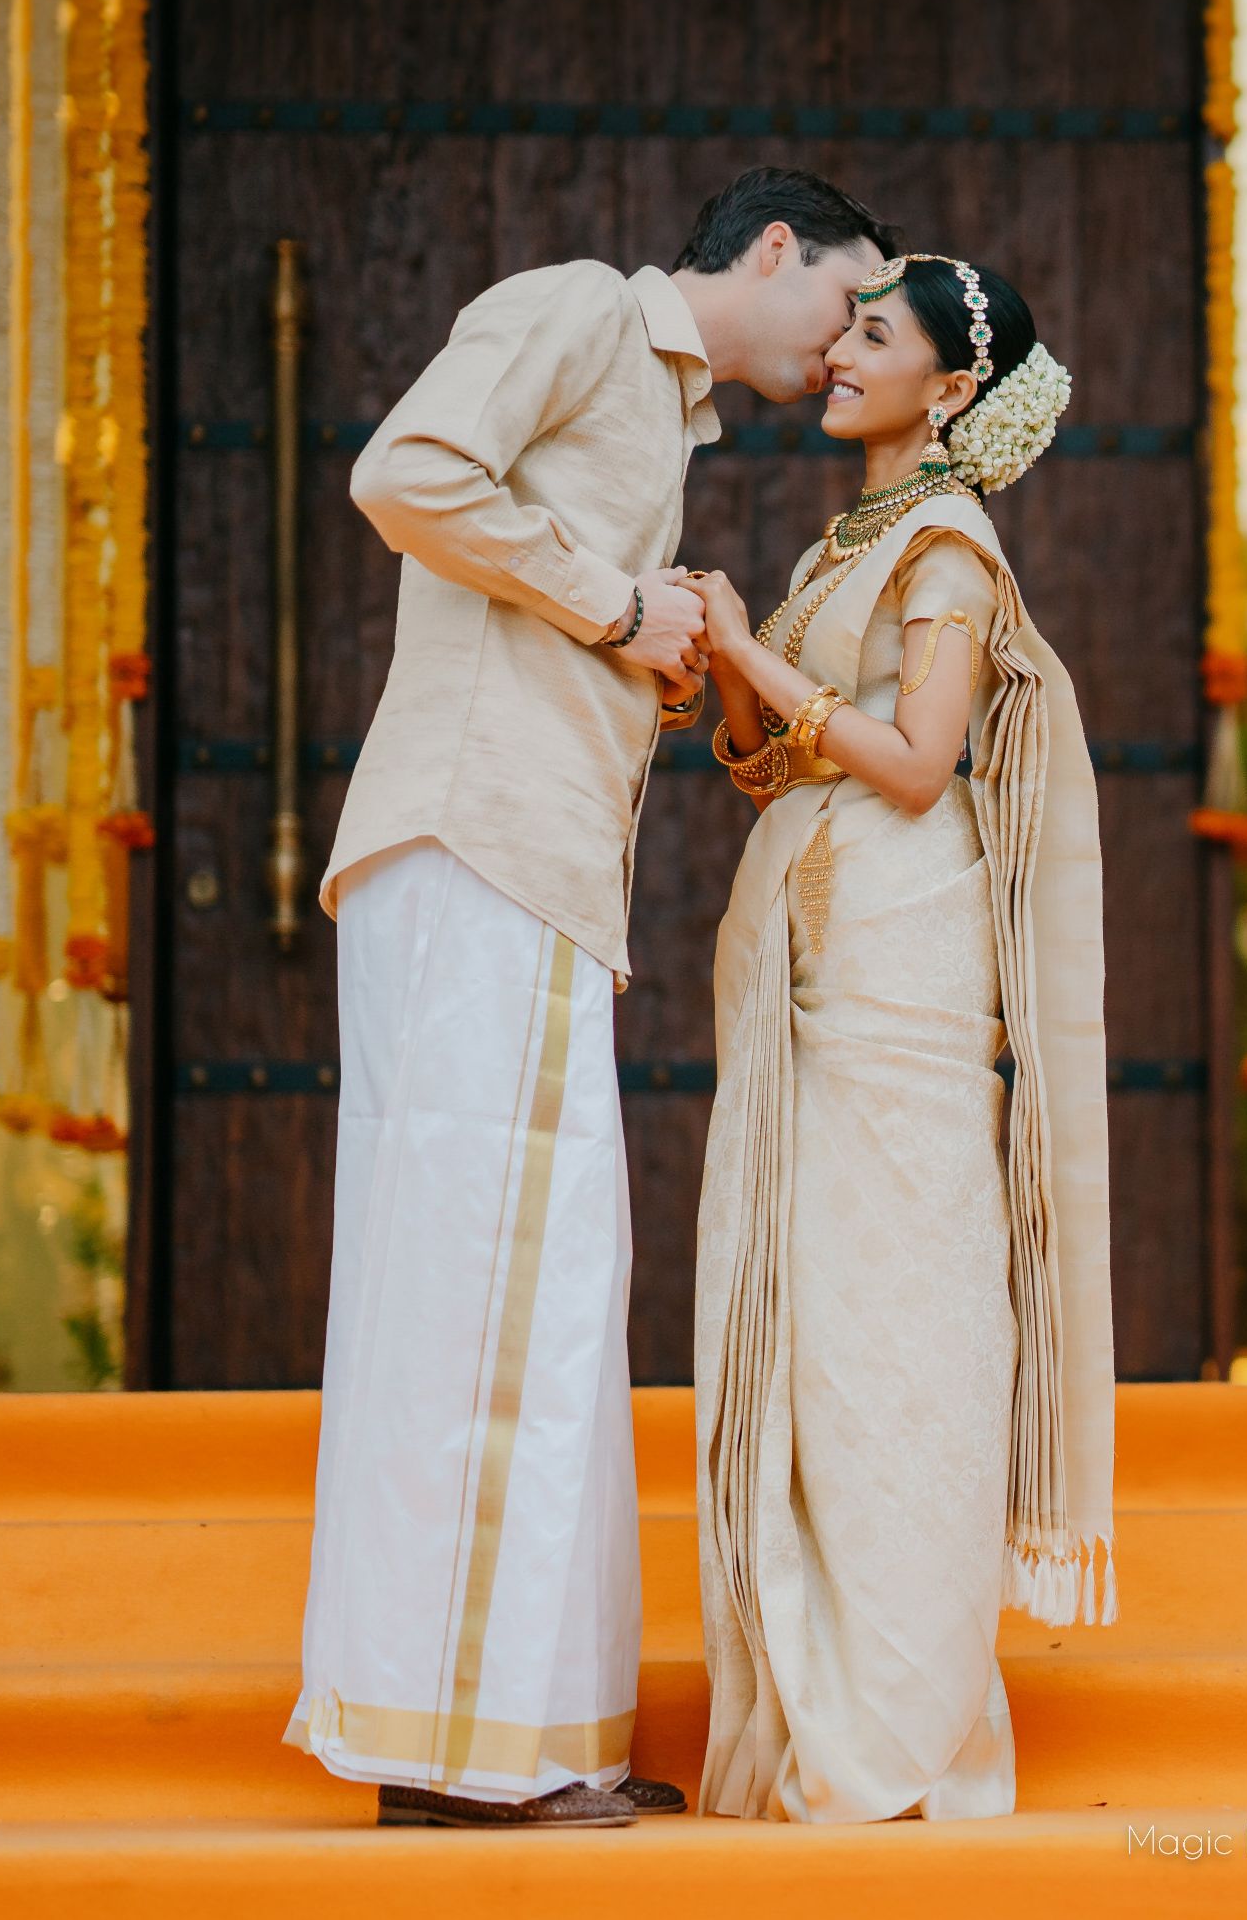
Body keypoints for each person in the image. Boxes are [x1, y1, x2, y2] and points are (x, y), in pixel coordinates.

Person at [287, 167, 894, 1830]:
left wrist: (661, 637)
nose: (847, 341)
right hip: (474, 846)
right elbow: (406, 471)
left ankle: (524, 1733)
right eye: (848, 299)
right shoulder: (576, 308)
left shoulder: (664, 414)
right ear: (776, 250)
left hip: (527, 873)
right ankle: (469, 1755)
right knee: (487, 1294)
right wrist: (624, 602)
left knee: (536, 1290)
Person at [687, 252, 1115, 1823]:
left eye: (875, 336)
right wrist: (735, 670)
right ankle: (820, 1692)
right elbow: (772, 763)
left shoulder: (949, 548)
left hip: (899, 958)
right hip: (814, 940)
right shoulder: (847, 543)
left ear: (949, 388)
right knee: (812, 1321)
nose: (840, 354)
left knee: (895, 1318)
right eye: (847, 329)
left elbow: (921, 763)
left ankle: (902, 1719)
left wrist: (749, 653)